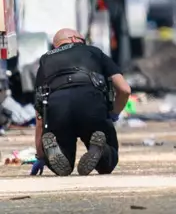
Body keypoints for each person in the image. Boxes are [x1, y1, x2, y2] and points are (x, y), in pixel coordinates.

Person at [29, 28, 132, 176]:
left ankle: (54, 152)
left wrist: (40, 155)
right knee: (107, 164)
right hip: (91, 105)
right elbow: (124, 89)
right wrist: (114, 113)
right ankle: (100, 149)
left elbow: (39, 113)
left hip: (58, 110)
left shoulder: (46, 60)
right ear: (74, 39)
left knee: (63, 160)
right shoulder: (94, 52)